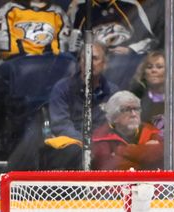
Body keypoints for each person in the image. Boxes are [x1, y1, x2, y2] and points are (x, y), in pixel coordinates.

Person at [41, 42, 118, 170]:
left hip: (101, 143)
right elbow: (61, 124)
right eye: (85, 58)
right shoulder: (62, 88)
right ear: (80, 62)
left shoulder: (113, 92)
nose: (89, 62)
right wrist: (86, 144)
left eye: (94, 58)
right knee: (74, 152)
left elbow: (115, 124)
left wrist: (97, 143)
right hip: (71, 144)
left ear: (105, 64)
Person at [91, 91, 163, 170]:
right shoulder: (100, 138)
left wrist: (122, 151)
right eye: (127, 110)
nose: (134, 114)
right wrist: (145, 152)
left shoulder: (151, 131)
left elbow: (164, 156)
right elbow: (114, 168)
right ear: (114, 116)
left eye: (136, 109)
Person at [66, 0, 160, 55]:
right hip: (91, 67)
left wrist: (130, 50)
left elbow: (150, 40)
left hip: (123, 67)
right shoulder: (79, 8)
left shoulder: (130, 5)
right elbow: (70, 46)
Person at [0, 0, 71, 59]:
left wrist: (53, 58)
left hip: (49, 65)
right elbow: (4, 44)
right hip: (16, 63)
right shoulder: (9, 10)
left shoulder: (57, 13)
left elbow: (62, 46)